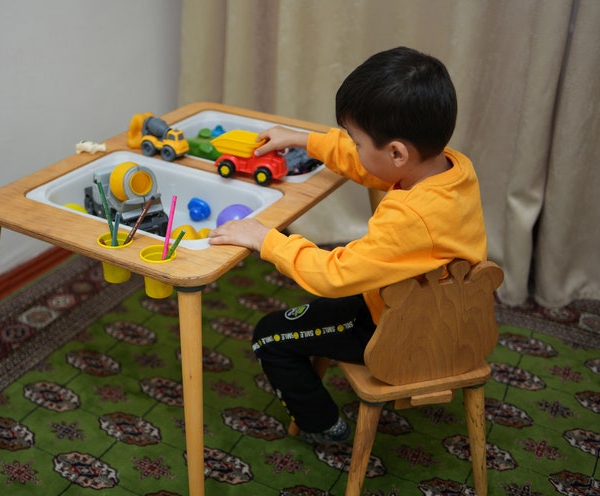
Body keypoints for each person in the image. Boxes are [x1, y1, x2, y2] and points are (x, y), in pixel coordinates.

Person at [208, 47, 488, 445]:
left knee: (269, 336)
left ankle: (322, 425)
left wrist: (266, 240)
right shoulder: (449, 169)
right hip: (438, 310)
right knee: (311, 318)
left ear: (396, 152)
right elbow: (370, 165)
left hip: (399, 328)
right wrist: (304, 140)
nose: (353, 149)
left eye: (355, 142)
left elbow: (334, 275)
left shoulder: (412, 218)